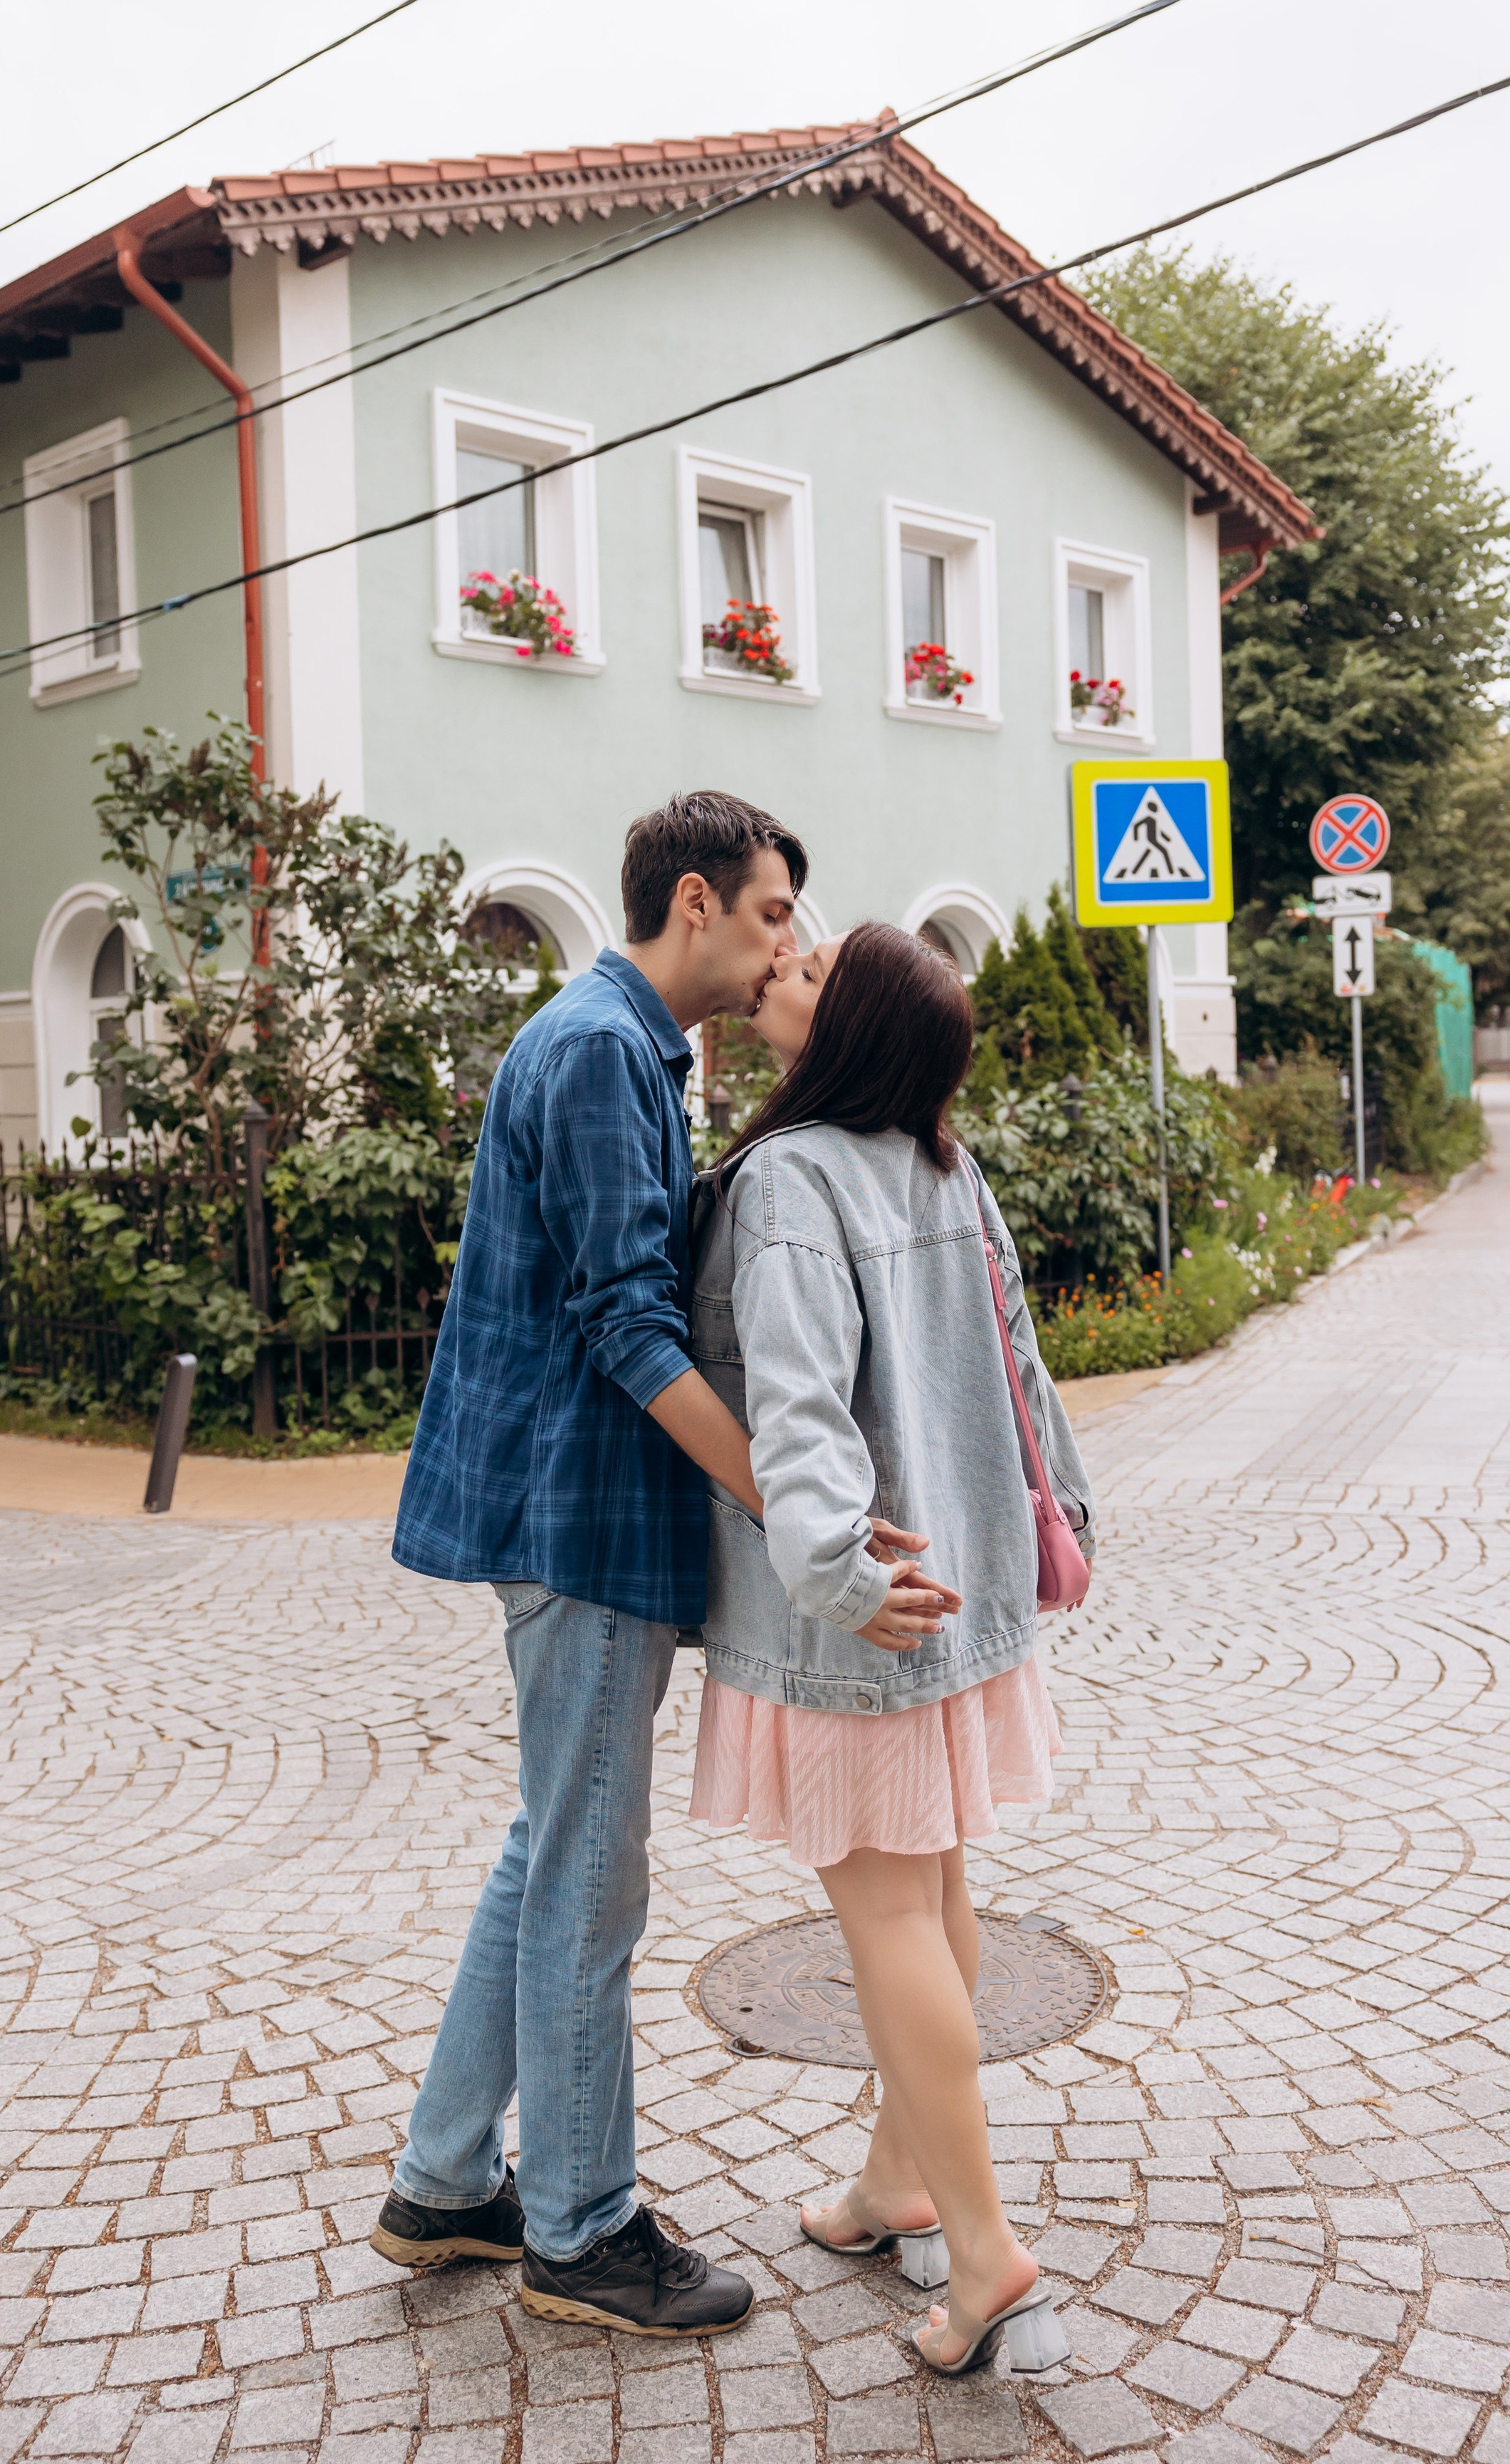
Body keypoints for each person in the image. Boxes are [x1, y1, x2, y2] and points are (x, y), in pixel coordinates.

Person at [372, 795, 926, 2337]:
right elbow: (626, 1326)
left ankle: (443, 2185)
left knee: (546, 1848)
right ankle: (580, 2231)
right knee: (587, 1885)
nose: (779, 954)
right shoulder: (606, 1048)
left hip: (569, 1510)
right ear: (695, 901)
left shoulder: (612, 1040)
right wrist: (790, 1512)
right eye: (768, 918)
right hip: (585, 1518)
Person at [686, 923, 1094, 2378]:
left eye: (805, 971)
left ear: (846, 1025)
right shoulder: (939, 1158)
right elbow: (1021, 1357)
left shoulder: (792, 1179)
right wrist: (1066, 1514)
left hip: (869, 1604)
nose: (776, 970)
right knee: (932, 1892)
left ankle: (981, 2258)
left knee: (885, 1917)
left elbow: (793, 1414)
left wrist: (832, 1571)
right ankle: (892, 2187)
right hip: (959, 1584)